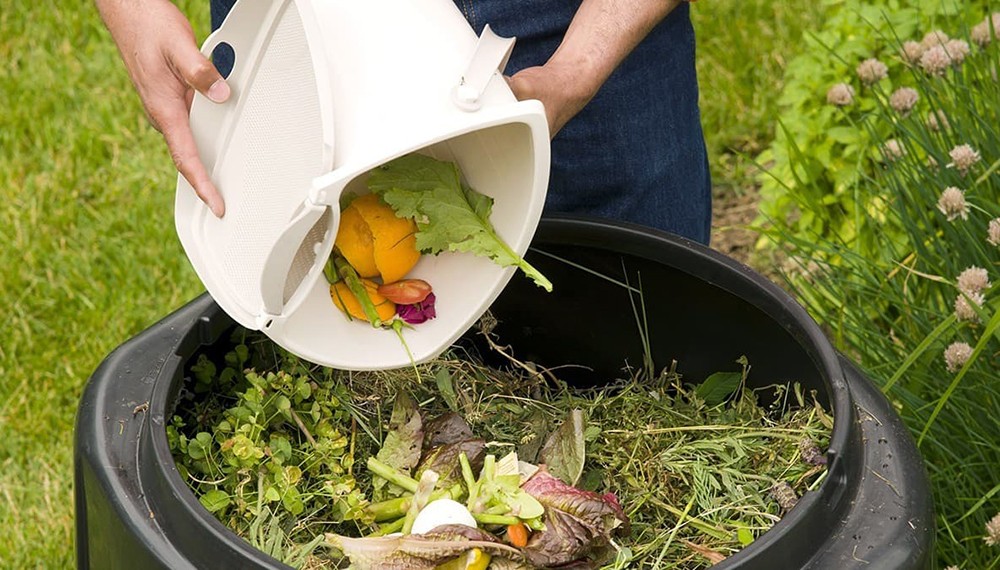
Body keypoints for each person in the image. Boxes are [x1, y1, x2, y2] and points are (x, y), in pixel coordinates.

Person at [96, 0, 711, 244]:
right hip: (302, 25)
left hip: (566, 25)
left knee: (651, 371)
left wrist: (575, 72)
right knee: (326, 401)